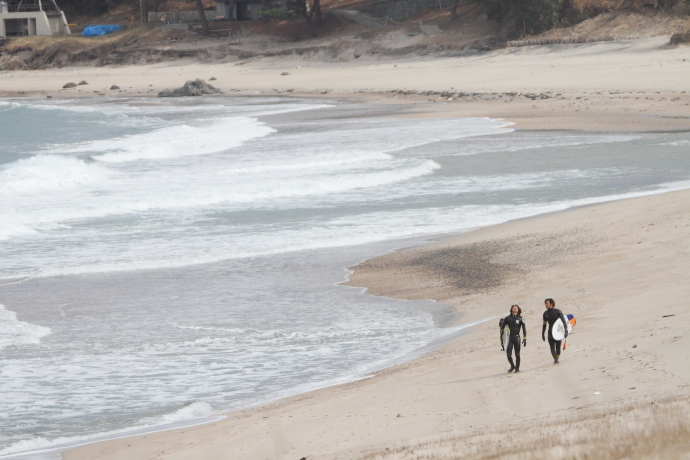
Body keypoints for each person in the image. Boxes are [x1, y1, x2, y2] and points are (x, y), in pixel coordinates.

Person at [500, 304, 526, 373]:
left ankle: (517, 368)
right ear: (511, 309)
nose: (515, 308)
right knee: (508, 355)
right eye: (513, 307)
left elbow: (524, 329)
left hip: (517, 338)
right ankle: (512, 366)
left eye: (516, 307)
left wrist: (525, 338)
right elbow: (502, 329)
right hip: (509, 339)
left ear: (518, 309)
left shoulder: (521, 318)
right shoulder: (507, 318)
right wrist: (502, 341)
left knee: (517, 354)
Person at [542, 298, 568, 364]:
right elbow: (544, 324)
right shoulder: (545, 313)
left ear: (551, 303)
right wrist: (543, 333)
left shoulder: (558, 312)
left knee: (558, 347)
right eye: (545, 303)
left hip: (558, 331)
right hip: (550, 331)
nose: (546, 305)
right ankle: (556, 359)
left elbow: (564, 322)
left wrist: (566, 330)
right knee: (551, 346)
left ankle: (557, 358)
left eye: (547, 303)